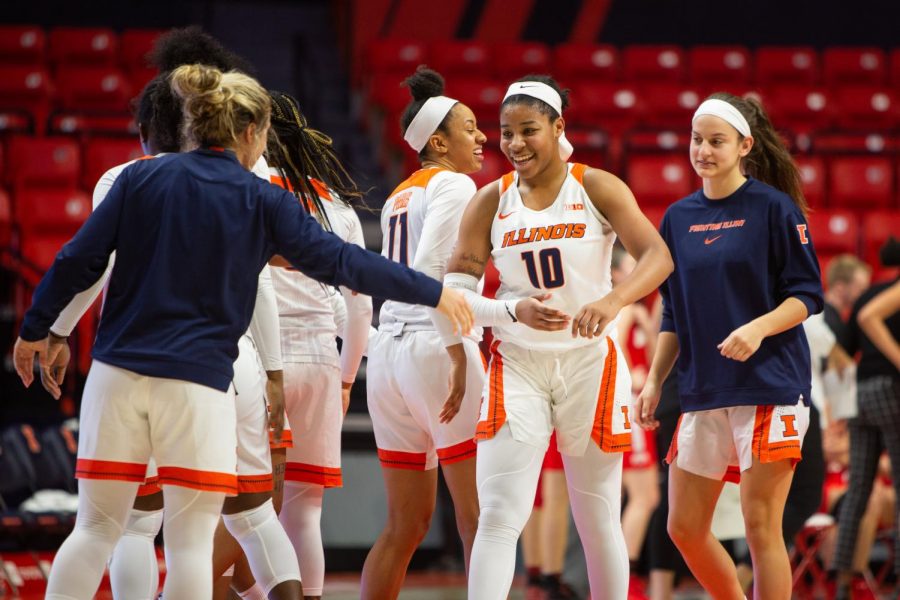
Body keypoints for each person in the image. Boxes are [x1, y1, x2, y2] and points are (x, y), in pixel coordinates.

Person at [13, 63, 472, 600]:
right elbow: (344, 263)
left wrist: (35, 330)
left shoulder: (137, 177)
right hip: (197, 386)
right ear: (251, 131)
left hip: (115, 376)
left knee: (94, 532)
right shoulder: (261, 198)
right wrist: (432, 290)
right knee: (188, 545)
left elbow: (78, 260)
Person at [443, 74, 673, 599]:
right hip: (518, 363)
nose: (515, 143)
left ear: (558, 127)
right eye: (505, 132)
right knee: (501, 513)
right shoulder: (488, 201)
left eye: (528, 130)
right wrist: (510, 310)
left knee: (597, 517)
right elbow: (454, 294)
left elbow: (658, 257)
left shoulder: (596, 186)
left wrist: (613, 300)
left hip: (590, 362)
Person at [635, 92, 824, 600]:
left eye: (716, 141)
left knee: (761, 526)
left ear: (744, 145)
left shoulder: (774, 208)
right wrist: (654, 380)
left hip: (770, 385)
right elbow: (672, 311)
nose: (704, 150)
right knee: (683, 528)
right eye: (698, 140)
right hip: (703, 389)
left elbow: (808, 295)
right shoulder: (676, 217)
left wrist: (759, 327)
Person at [359, 66, 487, 600]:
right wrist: (458, 353)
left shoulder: (398, 196)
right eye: (471, 128)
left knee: (405, 525)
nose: (482, 137)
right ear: (438, 141)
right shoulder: (456, 183)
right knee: (483, 518)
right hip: (436, 347)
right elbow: (432, 269)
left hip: (386, 354)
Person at [263, 90, 374, 600]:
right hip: (322, 359)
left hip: (263, 359)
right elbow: (359, 308)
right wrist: (348, 377)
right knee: (304, 511)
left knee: (247, 510)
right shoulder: (335, 204)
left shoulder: (250, 188)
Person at [832, 276, 900, 599]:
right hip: (892, 390)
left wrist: (842, 404)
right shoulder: (887, 298)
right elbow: (868, 319)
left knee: (858, 488)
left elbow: (838, 352)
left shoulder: (867, 293)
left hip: (861, 394)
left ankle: (842, 580)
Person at [613, 245, 660, 600]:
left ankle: (622, 578)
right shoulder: (624, 310)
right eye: (632, 265)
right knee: (644, 496)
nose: (638, 270)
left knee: (638, 496)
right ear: (615, 274)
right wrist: (634, 381)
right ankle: (625, 581)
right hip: (628, 406)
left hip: (631, 407)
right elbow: (618, 353)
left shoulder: (636, 309)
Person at [823, 255, 872, 342]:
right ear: (840, 287)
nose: (864, 296)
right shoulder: (831, 326)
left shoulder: (817, 312)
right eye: (861, 290)